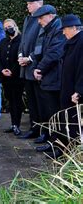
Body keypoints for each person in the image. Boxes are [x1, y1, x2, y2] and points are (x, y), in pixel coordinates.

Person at [36, 14, 82, 159]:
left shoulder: (81, 42)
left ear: (74, 28)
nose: (63, 32)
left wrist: (79, 91)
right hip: (66, 88)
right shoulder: (72, 41)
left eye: (65, 29)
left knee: (73, 123)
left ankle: (71, 152)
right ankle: (62, 148)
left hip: (75, 92)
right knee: (65, 120)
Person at [30, 5, 65, 147]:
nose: (39, 21)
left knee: (55, 113)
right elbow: (38, 52)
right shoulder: (48, 29)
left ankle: (56, 143)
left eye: (41, 17)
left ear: (51, 15)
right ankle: (51, 139)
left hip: (54, 78)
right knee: (49, 111)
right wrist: (35, 67)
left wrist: (40, 70)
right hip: (48, 77)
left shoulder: (58, 29)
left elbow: (54, 53)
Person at [18, 0, 44, 140]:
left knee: (40, 102)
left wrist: (30, 58)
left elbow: (40, 44)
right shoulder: (28, 19)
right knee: (31, 101)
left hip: (35, 67)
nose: (27, 6)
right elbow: (23, 41)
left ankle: (42, 130)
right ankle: (34, 128)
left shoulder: (42, 20)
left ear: (39, 3)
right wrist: (20, 55)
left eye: (30, 3)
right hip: (26, 68)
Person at [0, 19, 24, 135]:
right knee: (10, 100)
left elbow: (21, 58)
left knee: (17, 101)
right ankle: (13, 124)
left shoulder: (21, 41)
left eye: (10, 26)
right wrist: (2, 70)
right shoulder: (3, 41)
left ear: (15, 26)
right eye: (6, 27)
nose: (8, 29)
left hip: (17, 77)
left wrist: (12, 71)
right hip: (5, 77)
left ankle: (17, 125)